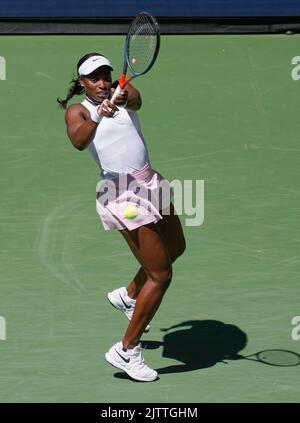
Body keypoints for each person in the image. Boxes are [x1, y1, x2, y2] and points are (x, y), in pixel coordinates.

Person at [58, 52, 186, 382]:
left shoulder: (123, 92)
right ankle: (126, 350)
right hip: (122, 194)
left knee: (176, 246)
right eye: (94, 78)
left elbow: (137, 101)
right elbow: (78, 140)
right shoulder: (79, 111)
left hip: (150, 180)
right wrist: (99, 115)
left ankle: (129, 295)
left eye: (106, 75)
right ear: (82, 82)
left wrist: (123, 96)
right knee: (160, 274)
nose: (102, 83)